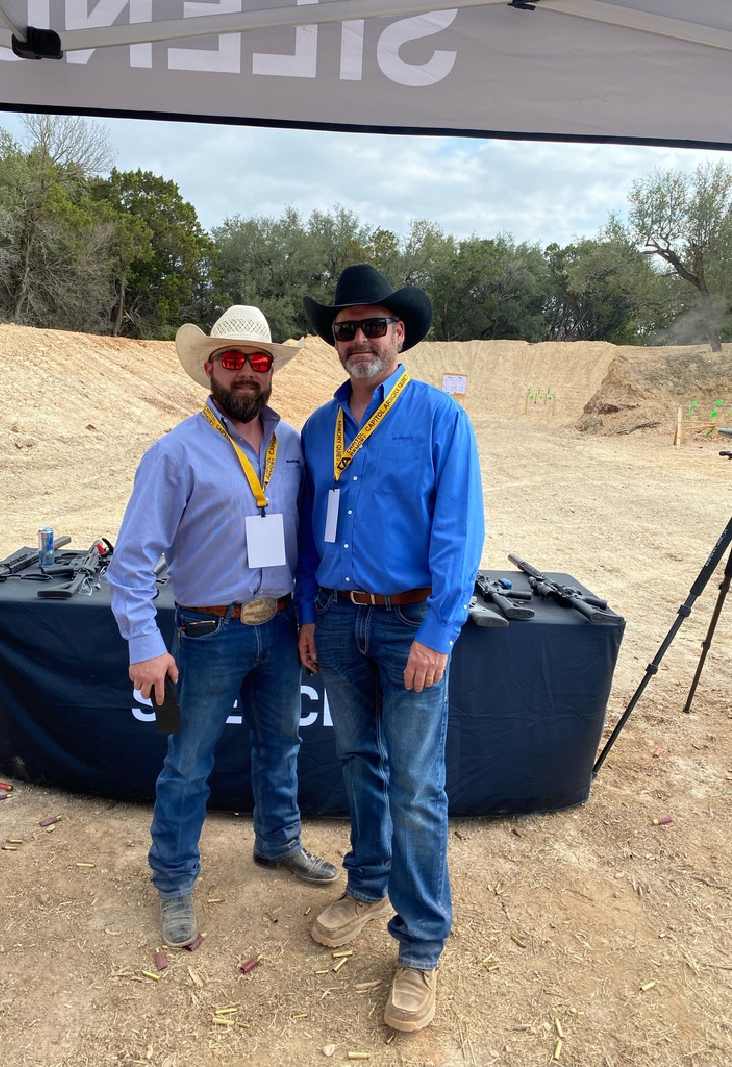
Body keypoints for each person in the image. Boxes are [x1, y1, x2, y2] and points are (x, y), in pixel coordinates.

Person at [107, 304, 338, 949]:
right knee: (187, 762)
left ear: (270, 372)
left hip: (282, 627)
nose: (245, 373)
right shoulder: (174, 453)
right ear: (209, 368)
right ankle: (174, 879)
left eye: (257, 362)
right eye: (231, 360)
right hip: (207, 635)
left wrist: (309, 618)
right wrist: (144, 646)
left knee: (282, 746)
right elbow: (130, 561)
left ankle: (277, 843)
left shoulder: (292, 445)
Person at [296, 265, 485, 1032]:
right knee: (356, 761)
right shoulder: (317, 427)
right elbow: (310, 531)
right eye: (347, 330)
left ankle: (420, 947)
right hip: (339, 620)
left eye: (375, 326)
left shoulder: (441, 419)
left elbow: (459, 534)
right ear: (335, 342)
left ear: (400, 335)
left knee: (415, 786)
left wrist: (439, 630)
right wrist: (308, 612)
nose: (361, 340)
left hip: (410, 623)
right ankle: (367, 882)